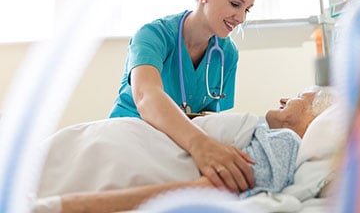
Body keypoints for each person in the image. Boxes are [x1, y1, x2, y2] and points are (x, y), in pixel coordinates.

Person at [34, 86, 337, 213]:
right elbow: (147, 93)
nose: (285, 99)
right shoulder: (266, 133)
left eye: (300, 96)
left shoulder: (283, 144)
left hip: (100, 161)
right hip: (99, 145)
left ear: (318, 116)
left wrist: (61, 206)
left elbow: (190, 193)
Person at [108, 0, 259, 193]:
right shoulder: (153, 35)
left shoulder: (227, 53)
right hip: (130, 138)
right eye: (235, 4)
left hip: (178, 147)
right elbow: (147, 96)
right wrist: (200, 145)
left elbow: (211, 118)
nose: (240, 18)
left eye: (247, 10)